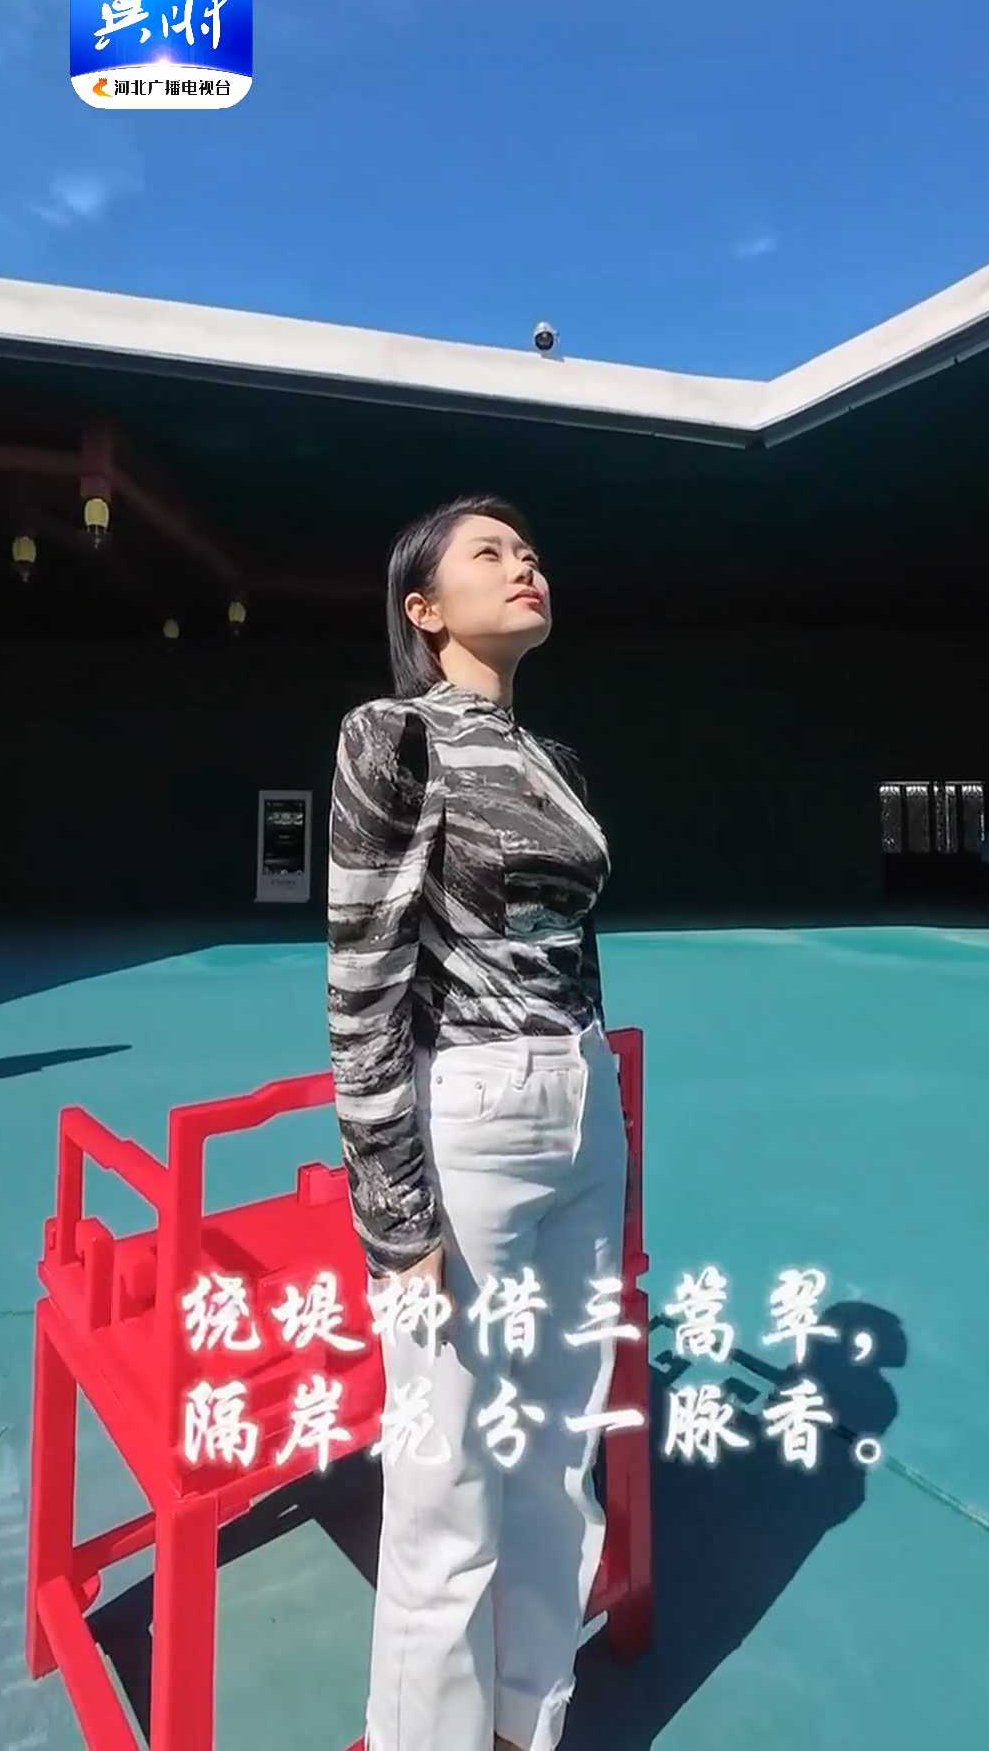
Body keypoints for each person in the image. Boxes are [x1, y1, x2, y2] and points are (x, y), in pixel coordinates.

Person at [327, 493, 628, 1751]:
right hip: (472, 1115)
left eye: (532, 551)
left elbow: (577, 955)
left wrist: (597, 1091)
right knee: (447, 1475)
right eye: (490, 554)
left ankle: (523, 1726)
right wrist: (396, 1213)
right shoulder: (392, 736)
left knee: (558, 1451)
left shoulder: (559, 762)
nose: (525, 566)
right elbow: (363, 980)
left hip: (583, 1103)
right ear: (425, 608)